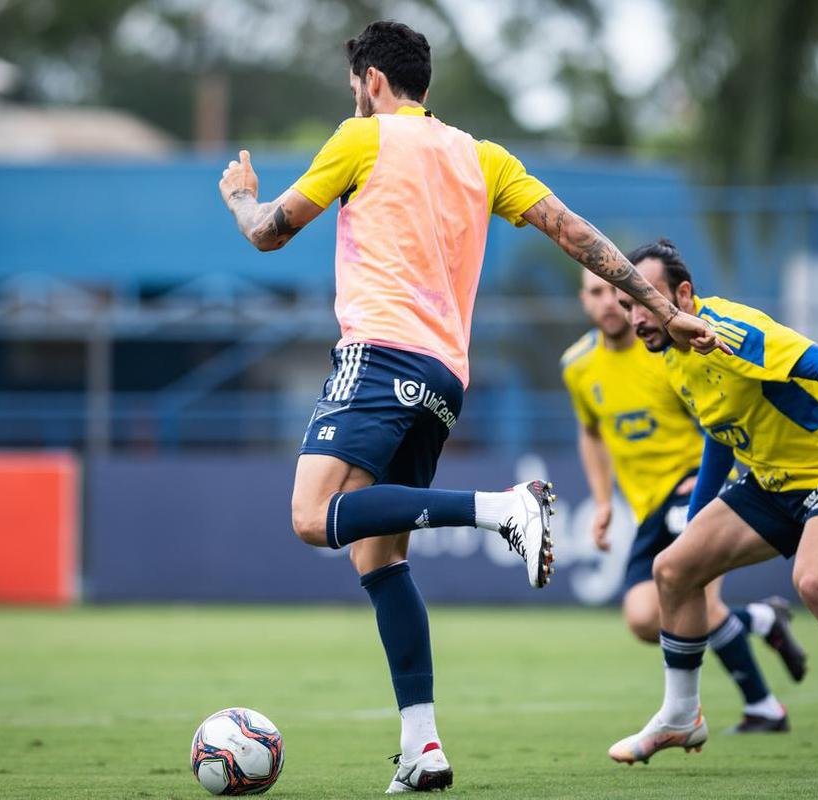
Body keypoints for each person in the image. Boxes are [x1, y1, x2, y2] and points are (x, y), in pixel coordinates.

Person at [217, 21, 725, 794]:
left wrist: (242, 199)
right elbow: (575, 233)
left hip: (378, 355)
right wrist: (657, 302)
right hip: (444, 375)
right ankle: (422, 749)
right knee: (378, 556)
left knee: (312, 517)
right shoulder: (481, 156)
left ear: (374, 83)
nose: (354, 98)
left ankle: (502, 508)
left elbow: (265, 236)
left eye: (356, 86)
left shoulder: (362, 139)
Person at [608, 239, 818, 778]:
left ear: (684, 295)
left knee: (816, 582)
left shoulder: (732, 330)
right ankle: (681, 716)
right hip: (772, 482)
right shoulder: (671, 354)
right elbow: (720, 433)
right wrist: (696, 525)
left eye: (645, 299)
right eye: (627, 303)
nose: (635, 315)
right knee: (674, 568)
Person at [562, 270, 806, 734]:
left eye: (619, 294)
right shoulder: (577, 364)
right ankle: (760, 618)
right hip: (647, 505)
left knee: (699, 600)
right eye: (596, 293)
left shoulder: (667, 350)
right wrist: (601, 502)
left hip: (696, 489)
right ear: (583, 301)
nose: (609, 304)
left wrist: (705, 485)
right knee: (642, 619)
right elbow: (591, 433)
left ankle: (764, 708)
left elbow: (718, 418)